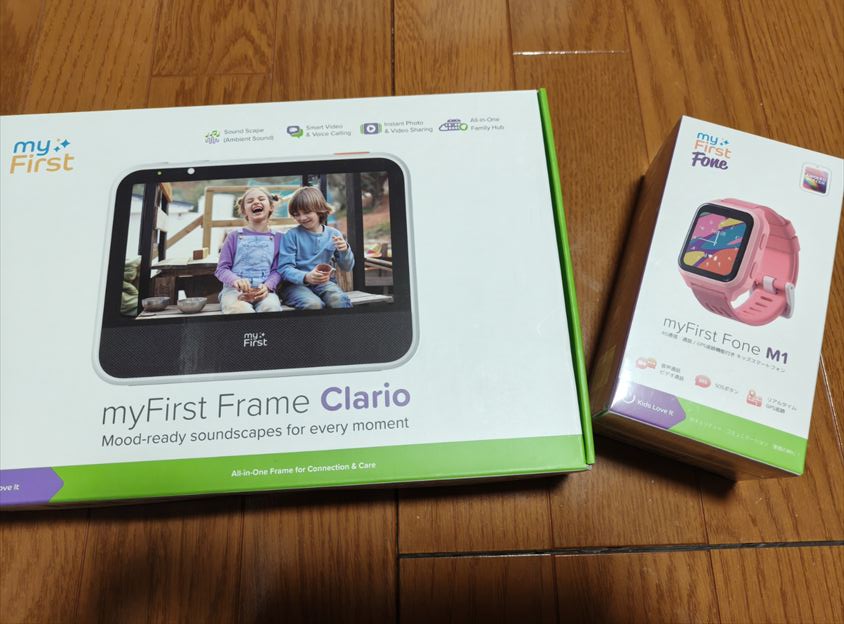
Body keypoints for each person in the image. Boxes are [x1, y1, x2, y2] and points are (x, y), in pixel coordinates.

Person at [278, 186, 354, 309]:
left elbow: (347, 267)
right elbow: (285, 269)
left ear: (320, 210)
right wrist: (306, 277)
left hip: (323, 283)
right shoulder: (291, 236)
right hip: (295, 285)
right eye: (297, 214)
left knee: (338, 299)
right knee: (313, 304)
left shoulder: (334, 234)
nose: (302, 218)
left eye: (306, 212)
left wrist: (345, 250)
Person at [214, 187, 283, 314]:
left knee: (271, 308)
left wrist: (268, 286)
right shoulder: (234, 236)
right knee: (240, 310)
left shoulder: (279, 238)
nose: (256, 202)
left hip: (264, 291)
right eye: (250, 201)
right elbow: (221, 269)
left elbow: (277, 270)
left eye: (261, 199)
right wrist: (235, 280)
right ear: (244, 211)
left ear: (271, 207)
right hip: (234, 291)